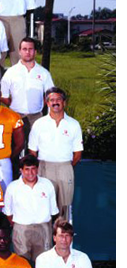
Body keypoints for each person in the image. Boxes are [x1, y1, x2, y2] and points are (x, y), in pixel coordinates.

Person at [28, 87, 83, 222]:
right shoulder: (39, 124)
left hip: (65, 167)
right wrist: (39, 168)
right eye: (52, 100)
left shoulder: (73, 124)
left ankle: (63, 234)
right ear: (47, 103)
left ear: (64, 102)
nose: (55, 102)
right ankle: (45, 234)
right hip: (44, 167)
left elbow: (78, 153)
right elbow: (32, 151)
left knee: (64, 206)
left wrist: (67, 167)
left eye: (58, 99)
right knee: (45, 205)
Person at [3, 154, 58, 262]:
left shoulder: (47, 184)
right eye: (27, 169)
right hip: (21, 229)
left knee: (44, 262)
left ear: (37, 169)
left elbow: (53, 211)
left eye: (33, 169)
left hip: (43, 229)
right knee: (22, 263)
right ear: (21, 170)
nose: (30, 172)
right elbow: (8, 212)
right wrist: (19, 226)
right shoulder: (12, 187)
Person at [1, 37, 55, 140]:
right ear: (20, 51)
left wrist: (40, 105)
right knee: (16, 146)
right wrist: (12, 105)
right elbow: (3, 95)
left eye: (30, 49)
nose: (27, 52)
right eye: (24, 49)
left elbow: (51, 95)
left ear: (35, 52)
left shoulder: (43, 73)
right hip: (15, 116)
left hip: (36, 117)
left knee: (35, 146)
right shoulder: (11, 72)